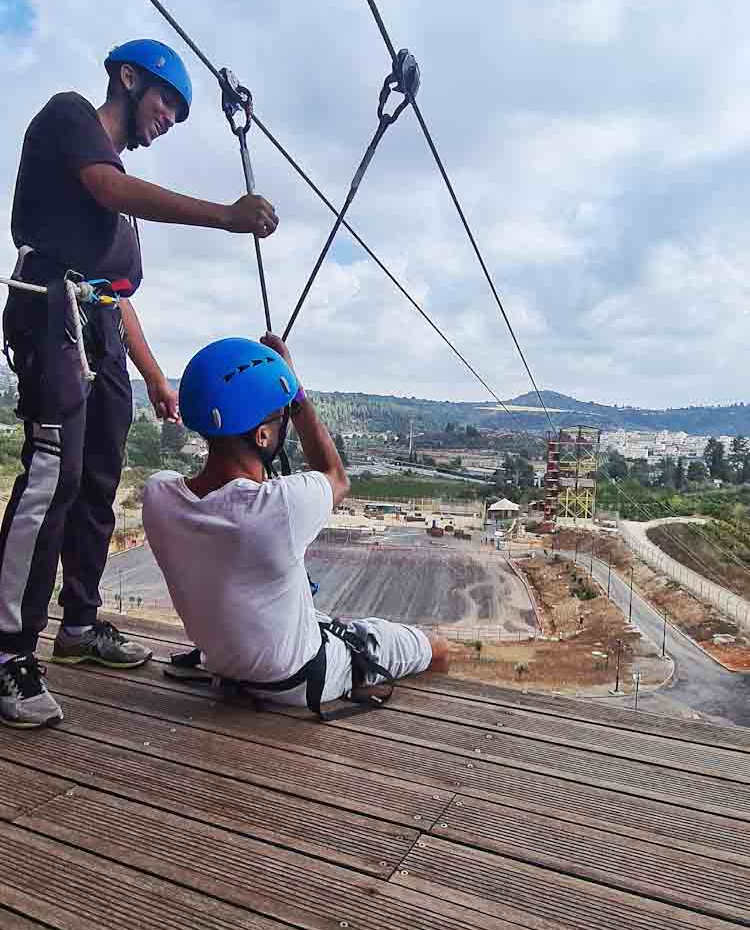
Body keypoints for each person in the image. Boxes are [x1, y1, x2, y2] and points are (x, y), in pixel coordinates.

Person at [0, 39, 279, 728]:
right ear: (128, 79)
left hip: (94, 326)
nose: (167, 121)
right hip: (49, 309)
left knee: (97, 478)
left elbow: (118, 295)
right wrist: (223, 214)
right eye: (165, 104)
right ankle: (7, 650)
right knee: (50, 475)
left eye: (179, 117)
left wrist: (155, 376)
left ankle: (81, 623)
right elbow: (107, 186)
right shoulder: (72, 121)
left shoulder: (118, 213)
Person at [142, 334, 449, 715]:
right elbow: (335, 475)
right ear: (263, 435)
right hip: (301, 681)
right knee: (434, 647)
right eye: (280, 417)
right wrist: (295, 388)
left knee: (327, 621)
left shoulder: (158, 497)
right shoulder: (278, 507)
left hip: (225, 664)